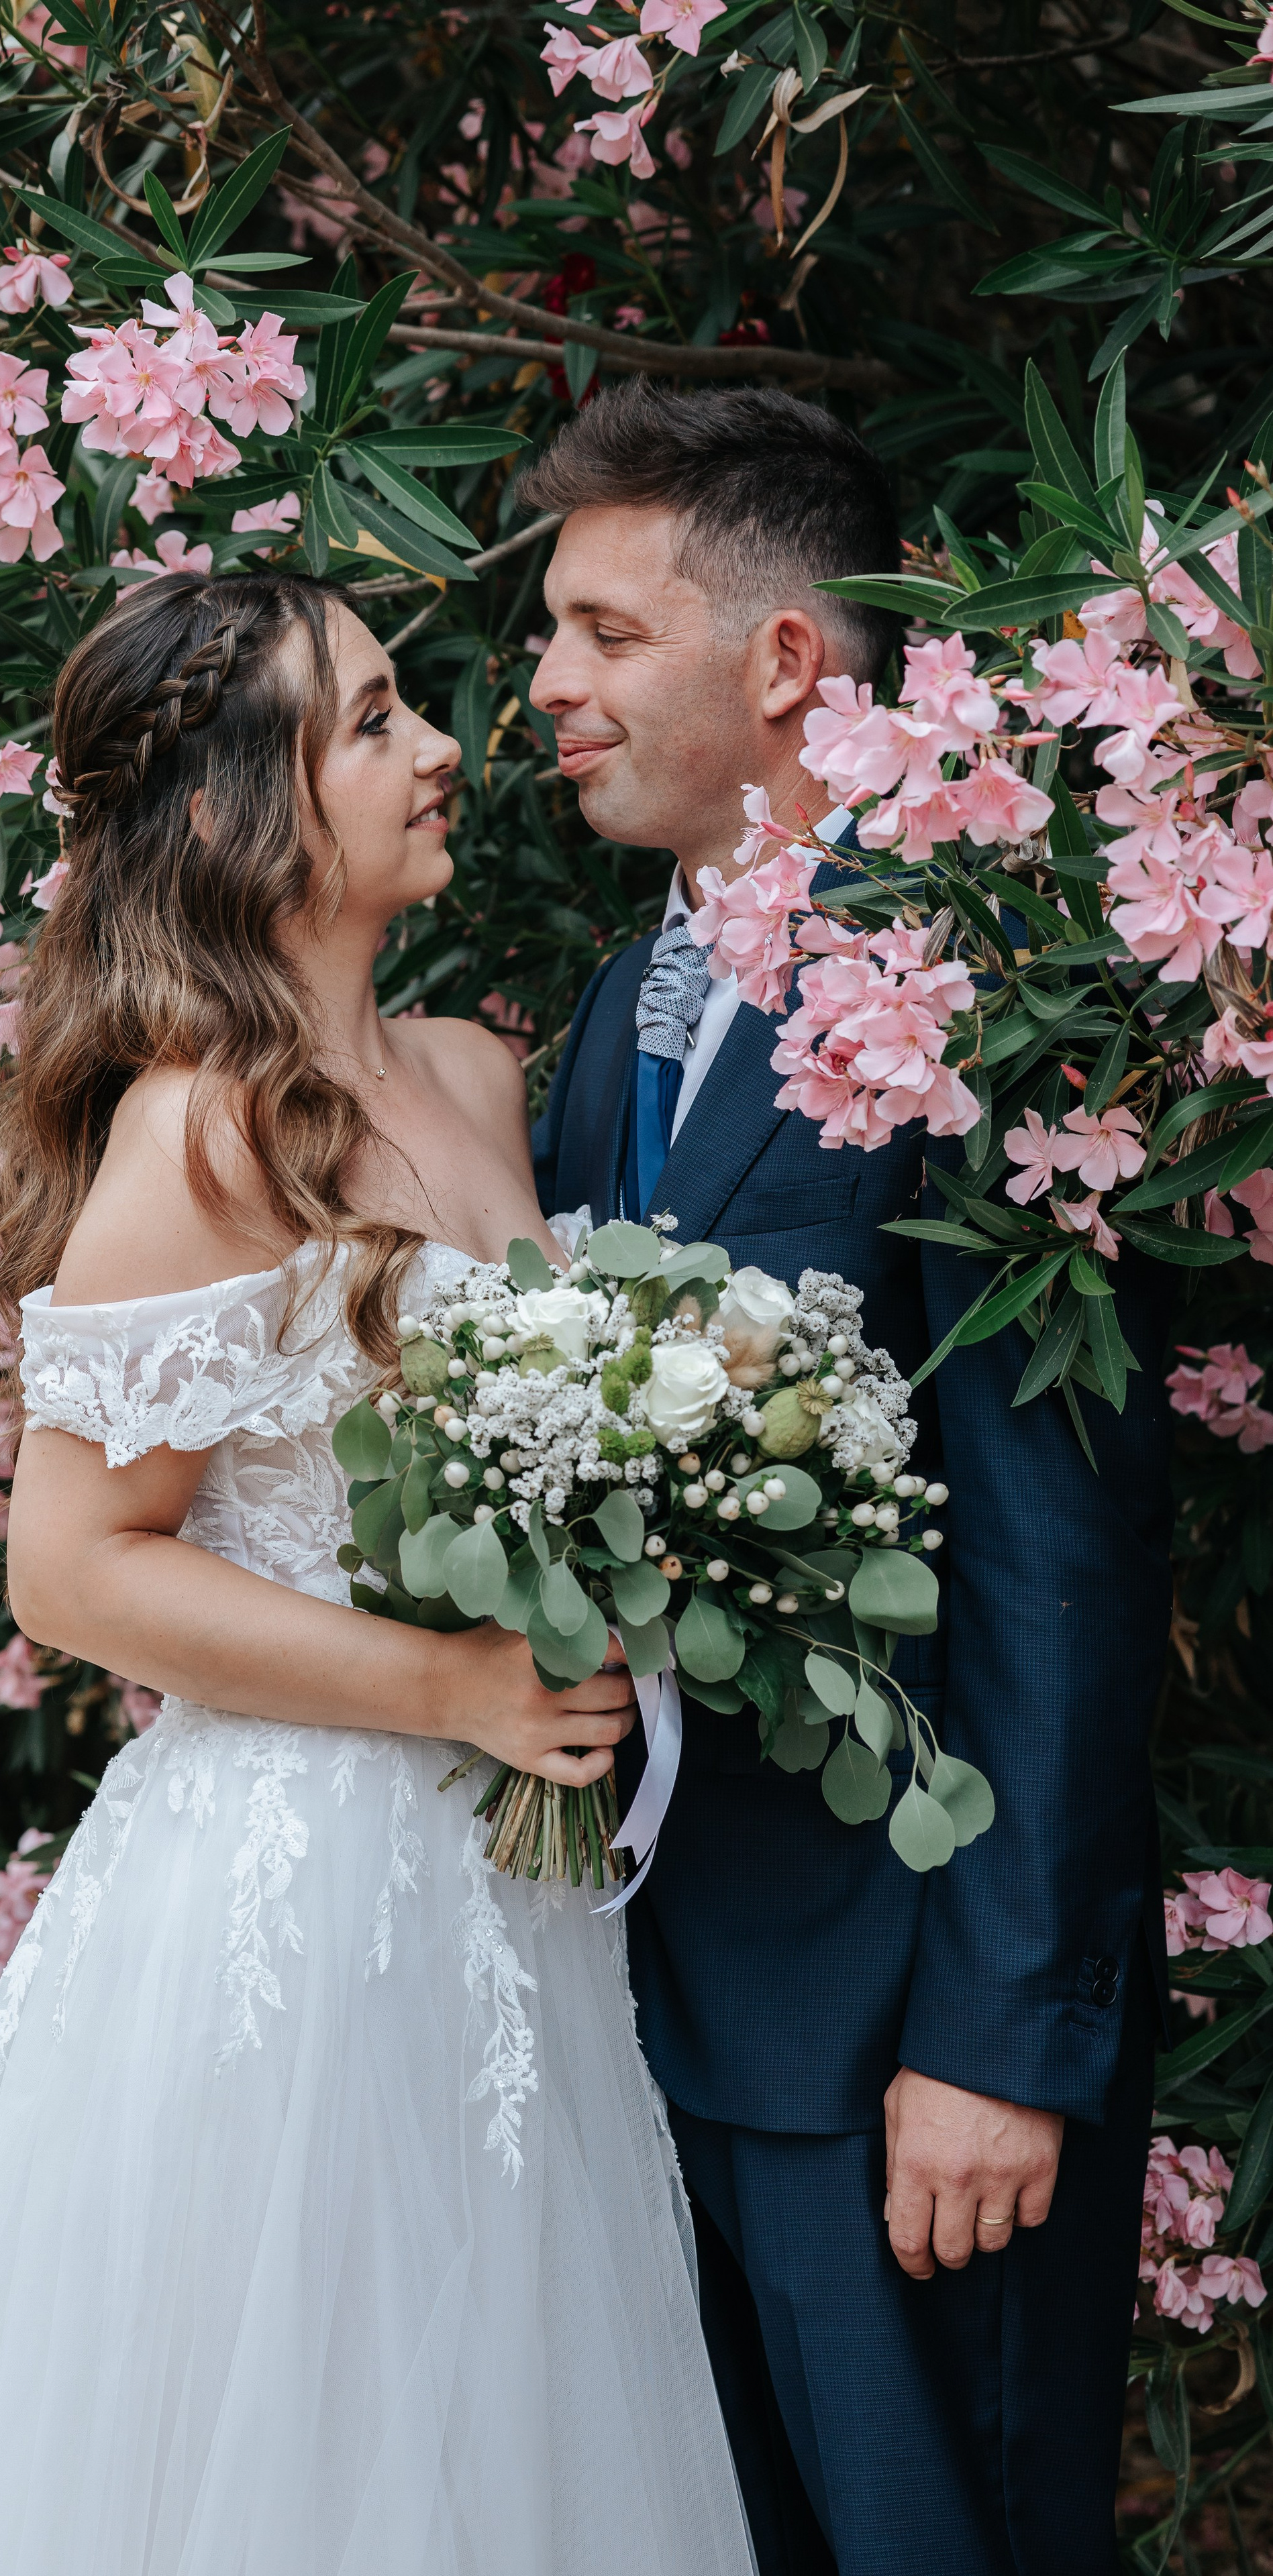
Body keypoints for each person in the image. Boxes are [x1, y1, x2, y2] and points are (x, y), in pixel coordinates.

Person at [0, 569, 757, 2576]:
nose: (442, 745)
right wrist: (450, 1689)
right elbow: (74, 1572)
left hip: (507, 1907)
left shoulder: (465, 1070)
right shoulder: (193, 1134)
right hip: (293, 1903)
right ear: (228, 816)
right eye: (372, 724)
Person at [523, 379, 1172, 2575]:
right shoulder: (626, 1005)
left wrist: (1003, 2036)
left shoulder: (985, 1007)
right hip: (661, 1997)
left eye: (607, 632)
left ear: (787, 660)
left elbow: (1062, 1563)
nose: (549, 685)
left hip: (904, 2026)